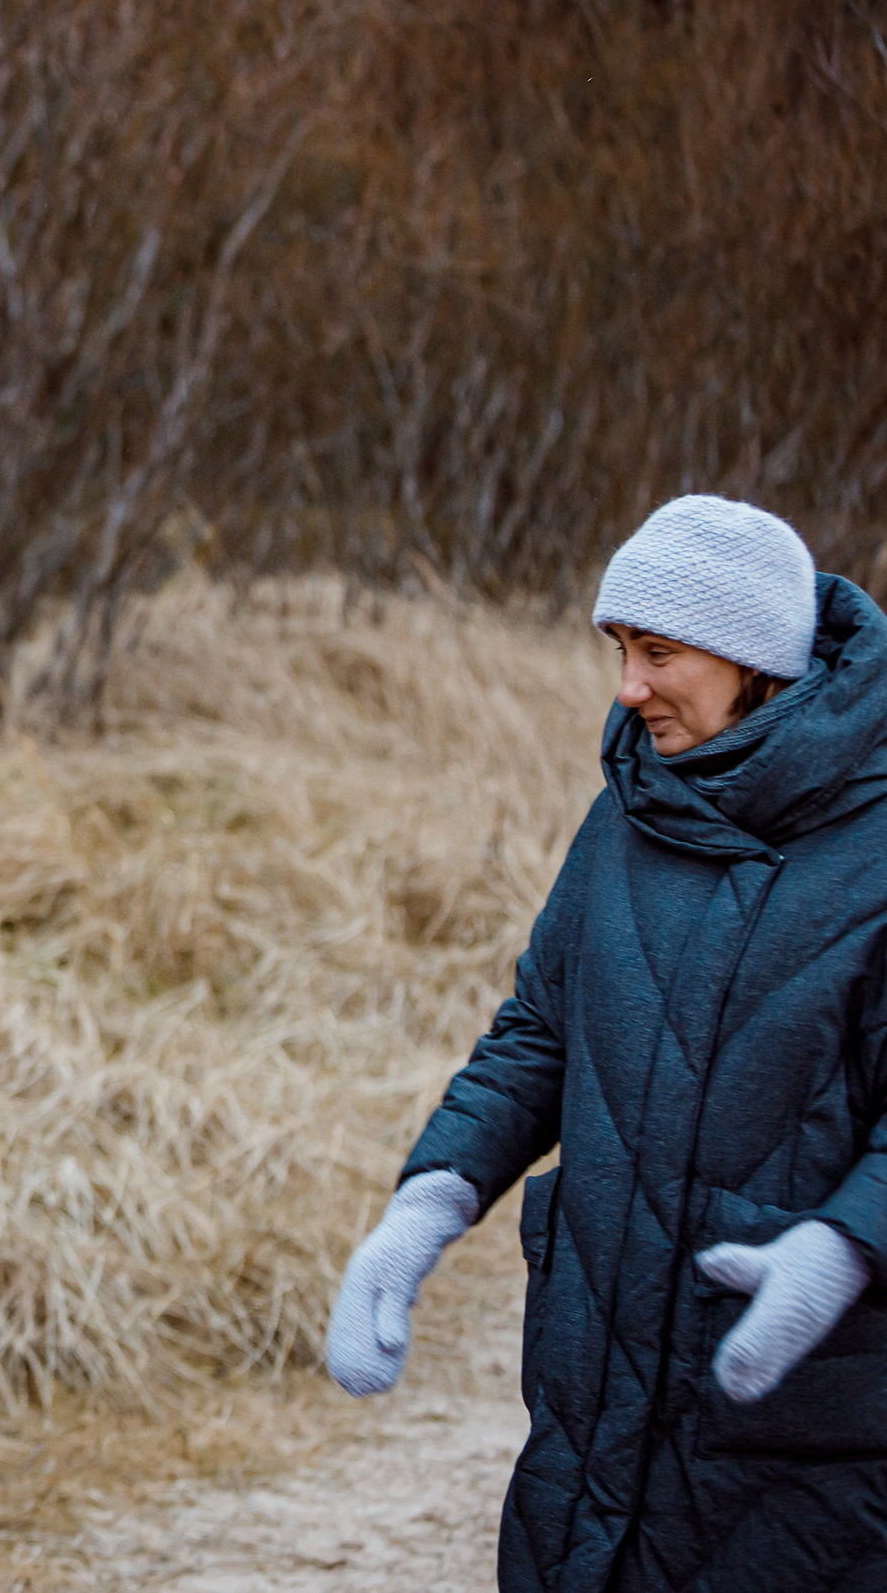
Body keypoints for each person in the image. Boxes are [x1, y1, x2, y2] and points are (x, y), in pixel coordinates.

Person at [326, 495, 887, 1592]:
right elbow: (540, 1031)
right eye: (619, 648)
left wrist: (844, 1246)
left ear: (755, 660)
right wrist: (426, 1203)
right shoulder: (630, 807)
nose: (628, 687)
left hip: (805, 1442)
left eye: (659, 653)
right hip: (586, 1407)